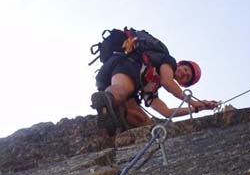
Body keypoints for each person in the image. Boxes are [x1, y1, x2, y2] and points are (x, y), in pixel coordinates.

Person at [91, 34, 220, 135]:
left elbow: (167, 113)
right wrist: (193, 102)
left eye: (187, 77)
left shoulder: (151, 87)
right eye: (185, 69)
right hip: (126, 63)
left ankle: (113, 112)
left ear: (183, 84)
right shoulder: (168, 61)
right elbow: (167, 82)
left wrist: (197, 109)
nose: (184, 73)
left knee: (144, 121)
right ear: (180, 64)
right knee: (123, 89)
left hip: (106, 77)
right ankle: (107, 102)